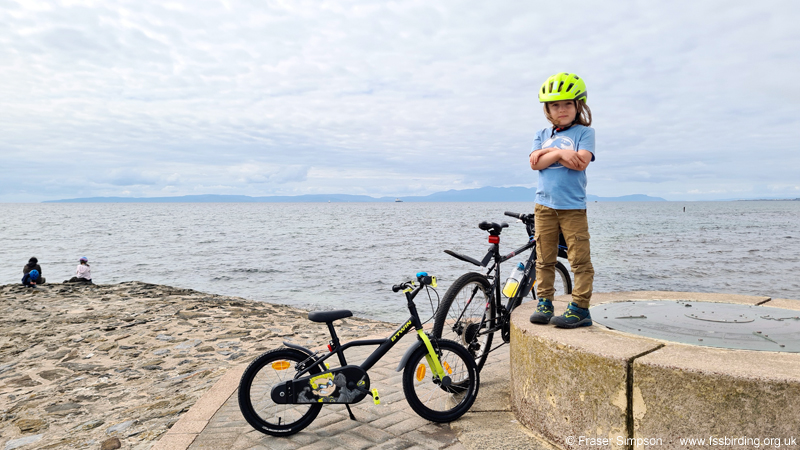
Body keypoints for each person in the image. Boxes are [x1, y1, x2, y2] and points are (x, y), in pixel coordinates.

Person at [527, 72, 595, 329]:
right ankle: (544, 302)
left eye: (568, 103)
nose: (562, 109)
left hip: (572, 207)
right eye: (555, 105)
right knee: (544, 258)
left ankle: (580, 308)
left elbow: (581, 162)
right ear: (547, 109)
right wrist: (559, 153)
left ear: (578, 105)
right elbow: (535, 163)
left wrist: (550, 153)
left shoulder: (585, 133)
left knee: (579, 260)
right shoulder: (541, 133)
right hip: (544, 205)